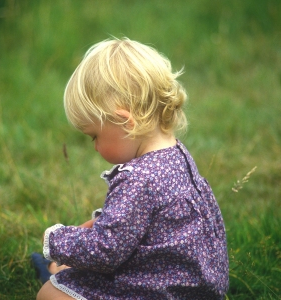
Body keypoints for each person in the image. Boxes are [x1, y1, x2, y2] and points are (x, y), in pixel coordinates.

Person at [33, 37, 229, 299]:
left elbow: (106, 251)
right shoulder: (177, 154)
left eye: (94, 136)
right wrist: (97, 225)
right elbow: (148, 223)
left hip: (159, 289)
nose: (94, 147)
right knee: (74, 263)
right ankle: (61, 269)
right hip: (196, 285)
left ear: (125, 122)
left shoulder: (137, 179)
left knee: (48, 294)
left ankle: (56, 271)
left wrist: (55, 238)